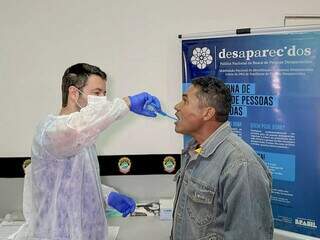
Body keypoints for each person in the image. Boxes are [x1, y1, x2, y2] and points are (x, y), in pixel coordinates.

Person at [25, 63, 161, 240]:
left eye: (104, 94)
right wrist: (127, 103)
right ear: (74, 93)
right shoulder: (51, 131)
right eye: (97, 93)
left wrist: (107, 195)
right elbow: (78, 127)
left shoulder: (83, 139)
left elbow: (75, 183)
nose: (102, 100)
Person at [171, 76, 273, 240]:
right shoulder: (194, 150)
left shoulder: (241, 165)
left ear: (207, 113)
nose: (177, 107)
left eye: (185, 101)